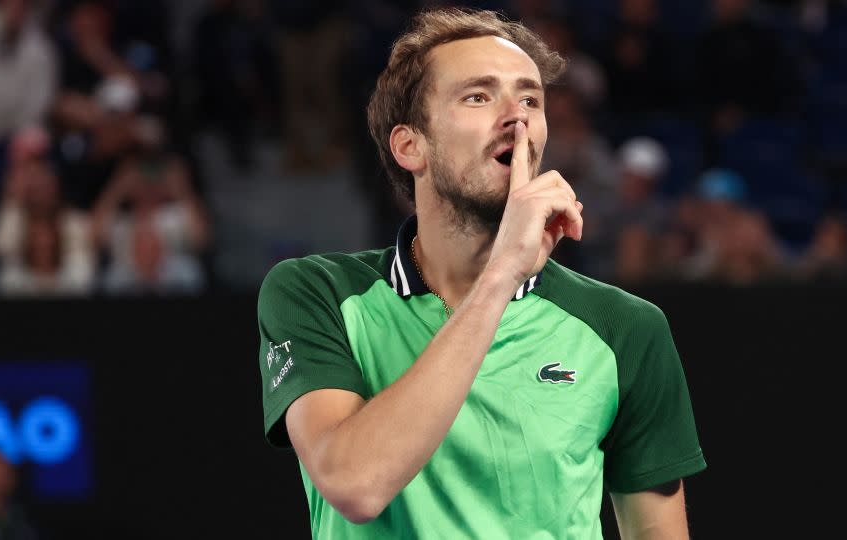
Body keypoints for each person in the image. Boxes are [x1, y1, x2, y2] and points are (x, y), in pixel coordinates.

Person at [257, 8, 706, 539]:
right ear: (409, 146)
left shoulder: (626, 327)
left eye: (530, 100)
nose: (516, 119)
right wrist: (502, 274)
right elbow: (354, 483)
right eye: (477, 96)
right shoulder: (318, 294)